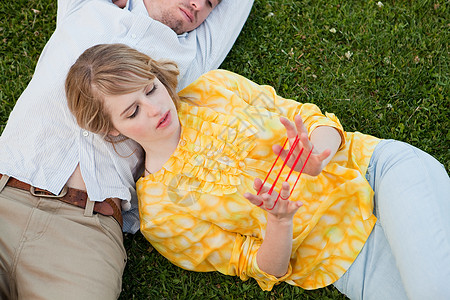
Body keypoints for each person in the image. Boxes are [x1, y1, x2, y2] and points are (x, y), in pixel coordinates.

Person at [65, 43, 450, 300]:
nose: (154, 108)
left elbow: (309, 117)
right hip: (348, 255)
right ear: (111, 128)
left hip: (375, 171)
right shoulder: (161, 214)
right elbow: (261, 267)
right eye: (131, 111)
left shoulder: (214, 89)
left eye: (150, 89)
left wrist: (318, 153)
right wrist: (279, 223)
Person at [0, 0, 253, 299]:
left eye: (210, 4)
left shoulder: (192, 56)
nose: (199, 5)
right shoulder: (84, 7)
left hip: (85, 232)